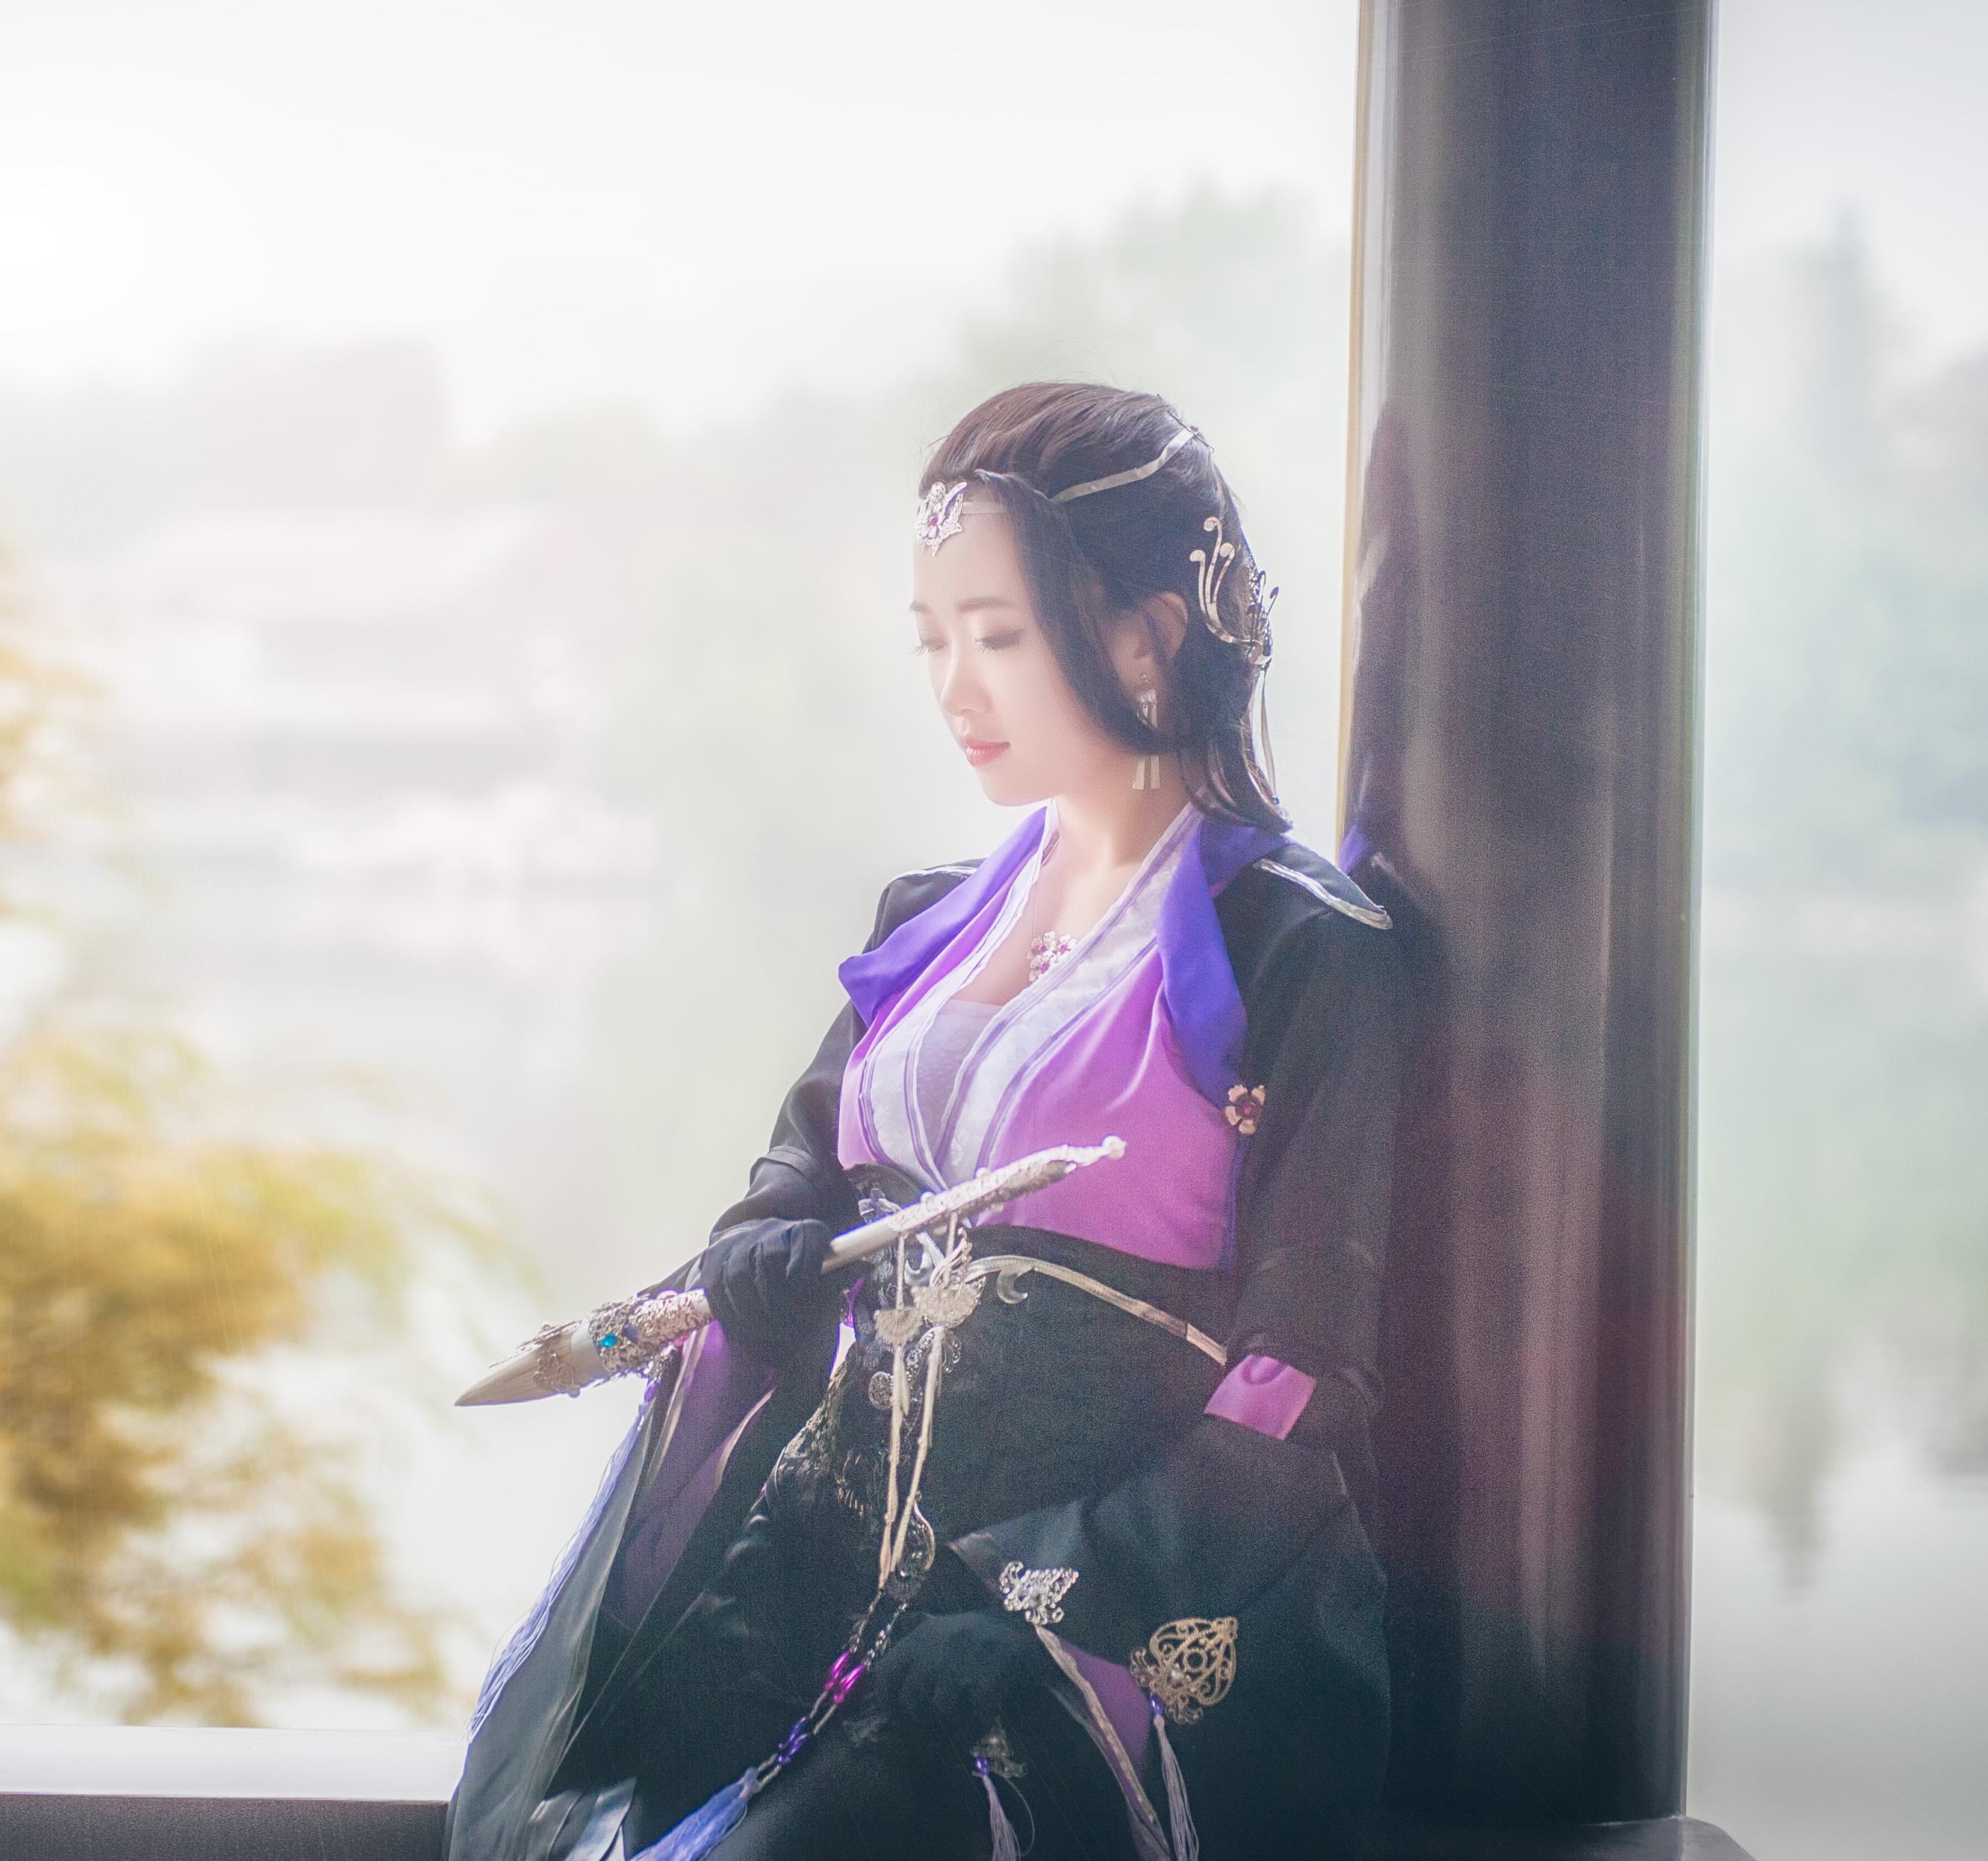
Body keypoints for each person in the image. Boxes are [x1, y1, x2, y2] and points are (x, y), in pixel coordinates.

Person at [451, 384, 1408, 1861]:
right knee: (593, 1806)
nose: (956, 689)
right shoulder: (929, 922)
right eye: (932, 640)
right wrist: (770, 1242)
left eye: (996, 637)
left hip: (1109, 1618)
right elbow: (803, 1159)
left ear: (1147, 636)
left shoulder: (1299, 950)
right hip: (832, 1556)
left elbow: (1295, 1370)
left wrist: (1055, 1608)